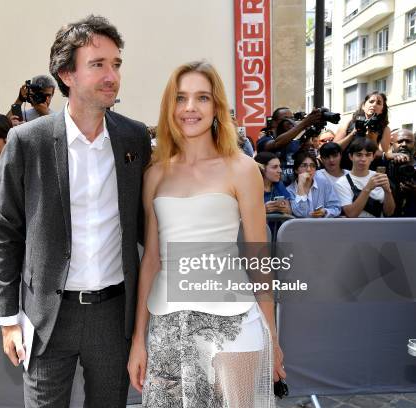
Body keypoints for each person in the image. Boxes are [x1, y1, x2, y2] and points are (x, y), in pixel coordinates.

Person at [0, 15, 151, 408]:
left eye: (116, 64)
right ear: (67, 74)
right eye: (98, 65)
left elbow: (147, 228)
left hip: (114, 317)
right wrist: (8, 320)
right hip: (48, 316)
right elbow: (9, 234)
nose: (111, 75)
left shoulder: (134, 137)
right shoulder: (27, 142)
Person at [127, 61, 283, 407]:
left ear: (217, 107)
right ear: (171, 107)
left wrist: (271, 334)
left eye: (202, 98)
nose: (190, 108)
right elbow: (151, 259)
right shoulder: (155, 175)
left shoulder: (242, 169)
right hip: (168, 324)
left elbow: (259, 256)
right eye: (181, 98)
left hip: (234, 324)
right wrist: (139, 339)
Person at [257, 108, 323, 185]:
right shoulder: (265, 141)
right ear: (274, 123)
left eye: (292, 118)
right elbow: (277, 143)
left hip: (295, 189)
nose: (290, 121)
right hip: (273, 190)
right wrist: (304, 123)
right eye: (286, 119)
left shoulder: (295, 143)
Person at [334, 138, 395, 218]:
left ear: (373, 157)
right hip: (356, 228)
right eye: (359, 155)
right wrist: (367, 188)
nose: (363, 159)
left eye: (368, 155)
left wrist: (388, 191)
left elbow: (389, 212)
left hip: (379, 227)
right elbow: (351, 214)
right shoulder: (342, 183)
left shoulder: (378, 177)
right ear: (351, 156)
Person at [334, 91, 391, 170]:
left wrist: (373, 139)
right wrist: (352, 134)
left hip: (370, 171)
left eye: (378, 103)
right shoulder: (350, 122)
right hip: (346, 170)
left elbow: (383, 155)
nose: (374, 105)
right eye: (371, 102)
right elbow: (334, 149)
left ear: (382, 110)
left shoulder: (385, 129)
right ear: (363, 106)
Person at [286, 150, 341, 218]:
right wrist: (301, 185)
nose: (309, 169)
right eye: (304, 165)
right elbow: (301, 213)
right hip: (301, 227)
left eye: (312, 166)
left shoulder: (324, 183)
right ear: (296, 170)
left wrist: (325, 212)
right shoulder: (289, 191)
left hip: (322, 226)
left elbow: (336, 207)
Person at [387, 129, 416, 217]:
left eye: (408, 141)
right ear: (392, 144)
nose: (404, 144)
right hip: (390, 219)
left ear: (414, 144)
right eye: (400, 141)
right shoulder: (383, 165)